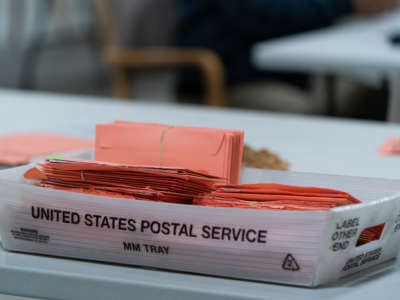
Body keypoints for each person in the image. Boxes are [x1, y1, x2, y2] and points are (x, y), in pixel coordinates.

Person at [175, 0, 398, 114]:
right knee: (312, 116)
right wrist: (347, 3)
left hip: (289, 74)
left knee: (375, 93)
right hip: (227, 79)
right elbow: (258, 16)